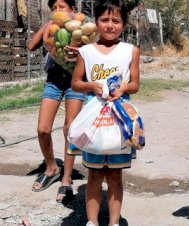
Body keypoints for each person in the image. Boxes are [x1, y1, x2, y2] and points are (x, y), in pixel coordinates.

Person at [71, 0, 140, 225]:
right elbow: (76, 83)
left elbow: (135, 84)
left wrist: (122, 88)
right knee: (94, 174)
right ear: (96, 22)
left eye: (116, 21)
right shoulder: (86, 52)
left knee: (115, 175)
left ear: (124, 24)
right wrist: (92, 86)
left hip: (119, 120)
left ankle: (113, 222)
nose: (110, 25)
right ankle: (92, 221)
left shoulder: (131, 51)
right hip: (94, 119)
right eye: (104, 20)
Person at [27, 0, 85, 203]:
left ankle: (67, 179)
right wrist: (49, 23)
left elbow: (94, 48)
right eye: (53, 8)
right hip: (53, 79)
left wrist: (82, 50)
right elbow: (31, 45)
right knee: (43, 129)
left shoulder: (82, 25)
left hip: (75, 80)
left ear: (73, 10)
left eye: (62, 7)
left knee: (70, 129)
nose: (57, 11)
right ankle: (51, 167)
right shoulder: (50, 29)